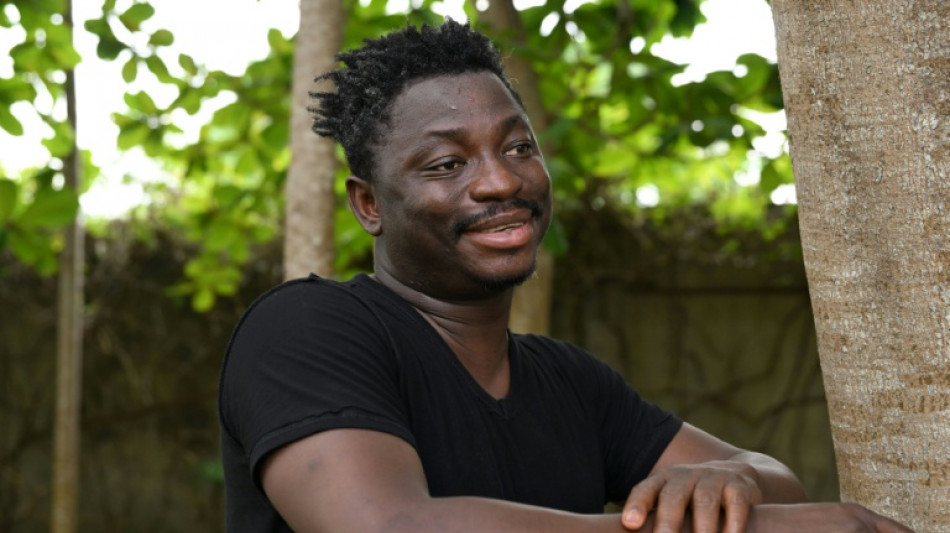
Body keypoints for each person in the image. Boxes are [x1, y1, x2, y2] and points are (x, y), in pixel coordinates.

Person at [218, 20, 913, 533]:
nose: (500, 181)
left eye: (518, 147)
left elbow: (776, 480)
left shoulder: (569, 382)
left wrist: (730, 479)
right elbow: (387, 526)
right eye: (447, 164)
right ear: (369, 204)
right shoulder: (306, 328)